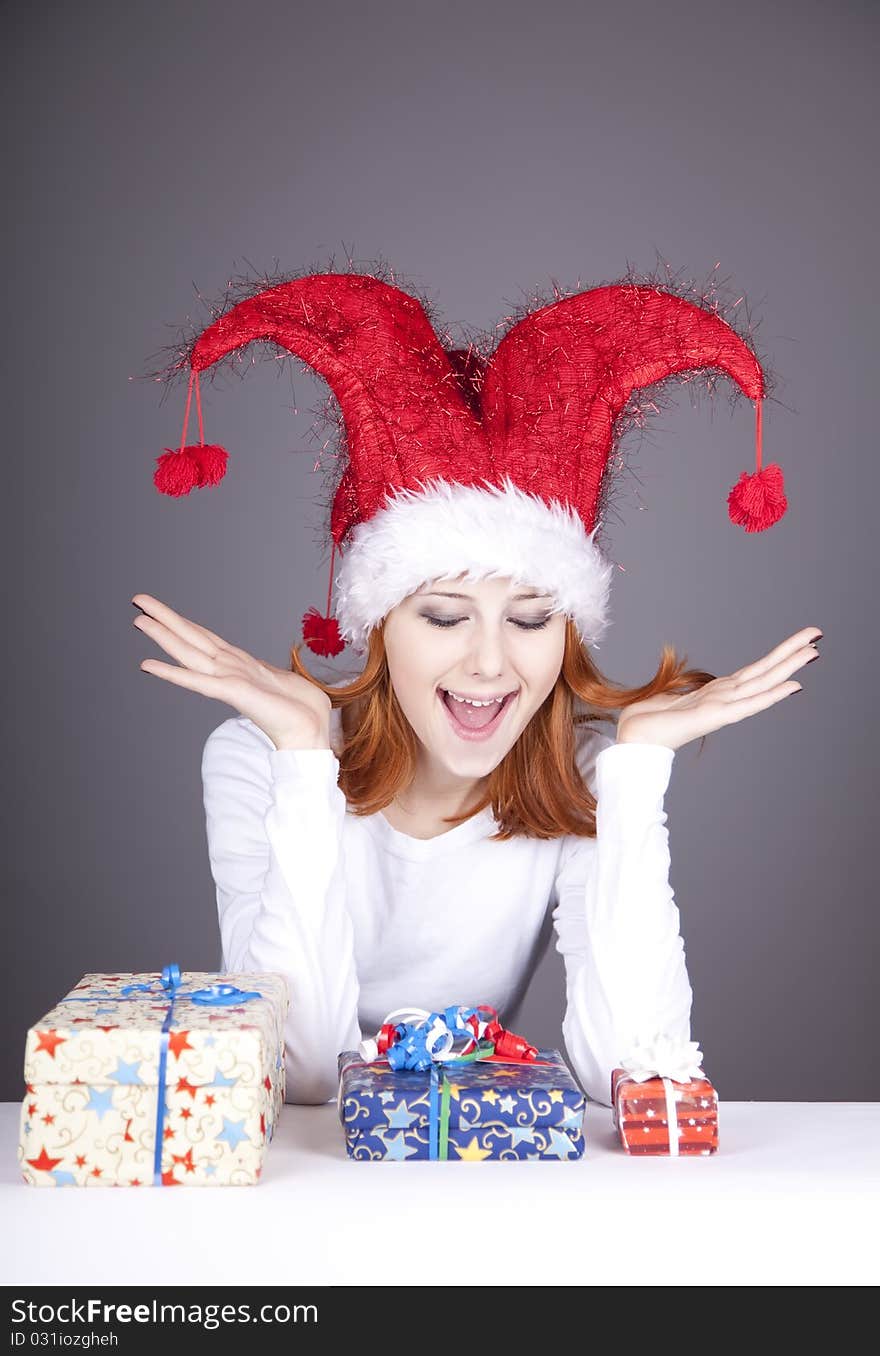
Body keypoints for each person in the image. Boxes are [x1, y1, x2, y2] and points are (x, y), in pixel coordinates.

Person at [136, 263, 821, 1106]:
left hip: (483, 1180)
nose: (491, 663)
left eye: (531, 620)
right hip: (308, 1196)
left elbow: (633, 1069)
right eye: (444, 617)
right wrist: (305, 760)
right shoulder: (260, 757)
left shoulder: (577, 777)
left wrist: (636, 772)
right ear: (380, 627)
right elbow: (302, 1074)